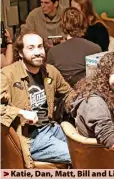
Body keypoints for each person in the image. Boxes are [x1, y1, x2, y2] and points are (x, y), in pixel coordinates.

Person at [1, 32, 76, 168]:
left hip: (52, 127)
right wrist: (21, 112)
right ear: (21, 53)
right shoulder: (7, 75)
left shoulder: (50, 71)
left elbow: (69, 93)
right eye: (31, 48)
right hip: (30, 137)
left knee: (91, 148)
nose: (37, 52)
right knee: (78, 155)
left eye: (40, 47)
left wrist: (85, 102)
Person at [47, 7, 101, 87]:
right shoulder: (95, 48)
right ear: (83, 23)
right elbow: (98, 79)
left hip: (64, 95)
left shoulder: (53, 52)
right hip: (88, 94)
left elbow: (49, 80)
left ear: (62, 25)